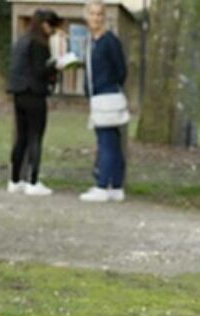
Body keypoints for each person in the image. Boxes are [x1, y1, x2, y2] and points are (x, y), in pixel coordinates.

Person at [7, 9, 63, 196]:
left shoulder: (21, 41)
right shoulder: (39, 44)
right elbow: (40, 70)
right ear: (45, 25)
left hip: (19, 93)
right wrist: (55, 67)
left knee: (21, 137)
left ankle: (15, 179)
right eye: (51, 27)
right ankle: (33, 180)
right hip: (34, 93)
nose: (52, 31)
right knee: (35, 136)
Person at [80, 0, 127, 203]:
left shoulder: (110, 41)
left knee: (107, 141)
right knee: (111, 141)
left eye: (99, 14)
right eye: (92, 14)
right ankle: (116, 185)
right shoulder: (91, 42)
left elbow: (121, 69)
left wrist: (109, 85)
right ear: (87, 16)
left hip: (107, 94)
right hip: (96, 95)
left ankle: (103, 185)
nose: (96, 18)